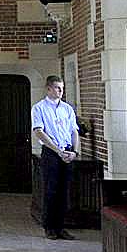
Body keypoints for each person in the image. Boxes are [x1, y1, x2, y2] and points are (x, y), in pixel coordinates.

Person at [32, 75, 79, 240]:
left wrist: (74, 151)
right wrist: (57, 150)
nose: (61, 91)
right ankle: (49, 227)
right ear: (48, 88)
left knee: (64, 191)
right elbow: (39, 131)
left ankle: (61, 226)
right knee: (51, 190)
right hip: (51, 152)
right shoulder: (39, 108)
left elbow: (74, 131)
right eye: (58, 88)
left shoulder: (67, 108)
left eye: (62, 88)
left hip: (67, 151)